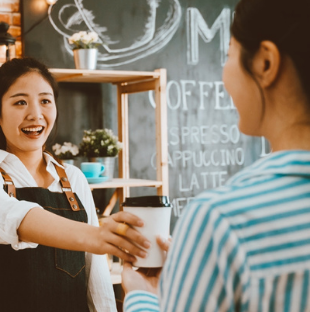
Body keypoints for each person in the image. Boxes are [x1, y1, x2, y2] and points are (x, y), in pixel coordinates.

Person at [122, 0, 310, 311]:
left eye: (229, 55)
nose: (224, 75)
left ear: (265, 63)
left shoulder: (220, 220)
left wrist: (144, 296)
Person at [0, 57, 150, 312]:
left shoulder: (73, 179)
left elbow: (96, 274)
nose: (35, 115)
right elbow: (12, 215)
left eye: (45, 101)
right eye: (20, 102)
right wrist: (98, 236)